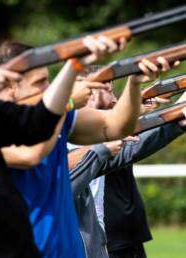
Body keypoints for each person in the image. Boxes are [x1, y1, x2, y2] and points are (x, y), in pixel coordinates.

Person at [0, 35, 109, 258]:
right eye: (41, 82)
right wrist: (67, 101)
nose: (46, 87)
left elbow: (38, 123)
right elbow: (32, 155)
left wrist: (74, 66)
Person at [68, 69, 186, 258]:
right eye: (107, 90)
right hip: (91, 241)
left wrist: (176, 118)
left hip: (108, 238)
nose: (114, 99)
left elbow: (128, 146)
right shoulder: (62, 140)